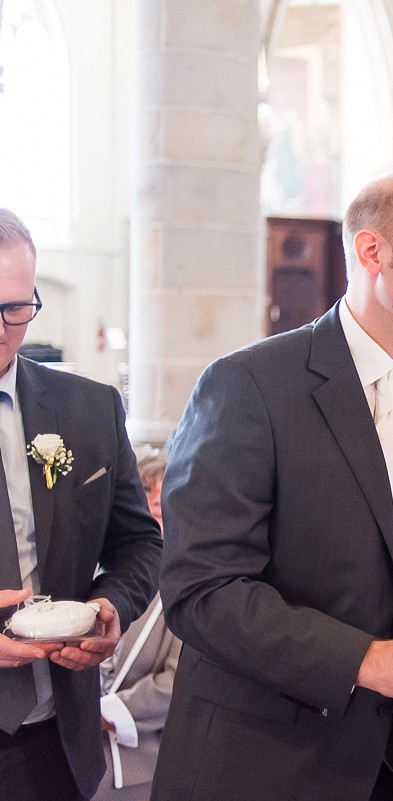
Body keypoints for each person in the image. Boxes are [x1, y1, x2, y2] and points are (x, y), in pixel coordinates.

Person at [153, 170, 393, 801]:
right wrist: (365, 659)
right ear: (372, 252)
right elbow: (202, 592)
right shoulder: (249, 386)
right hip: (263, 760)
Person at [0, 209, 161, 801]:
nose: (0, 327)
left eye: (15, 308)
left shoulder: (88, 409)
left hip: (53, 736)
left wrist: (111, 606)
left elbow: (140, 543)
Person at [95, 448, 183, 801]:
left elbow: (181, 677)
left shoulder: (187, 585)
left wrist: (108, 712)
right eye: (148, 490)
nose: (158, 502)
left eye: (168, 491)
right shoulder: (94, 572)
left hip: (138, 764)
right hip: (62, 749)